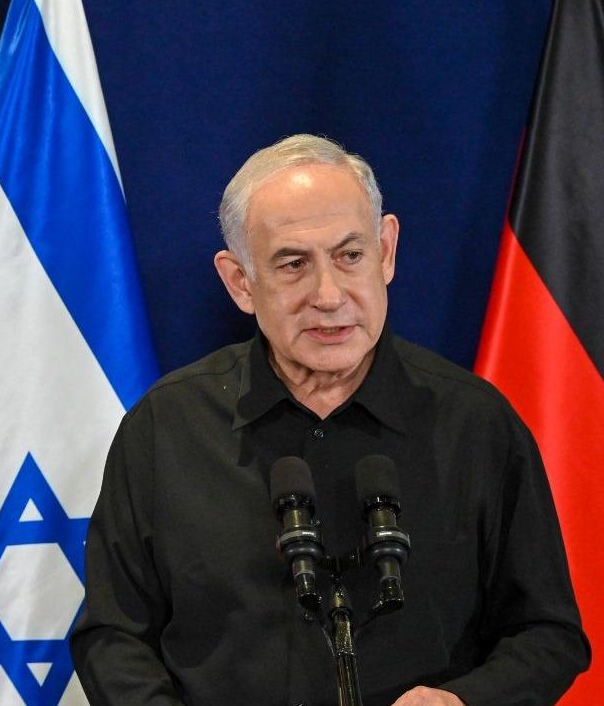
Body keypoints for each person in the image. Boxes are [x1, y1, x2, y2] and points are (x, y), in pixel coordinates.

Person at [71, 135, 588, 705]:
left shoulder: (476, 424)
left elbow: (548, 634)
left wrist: (466, 701)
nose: (328, 294)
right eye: (293, 264)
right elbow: (112, 636)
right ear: (240, 281)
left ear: (386, 251)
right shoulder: (167, 427)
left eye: (350, 256)